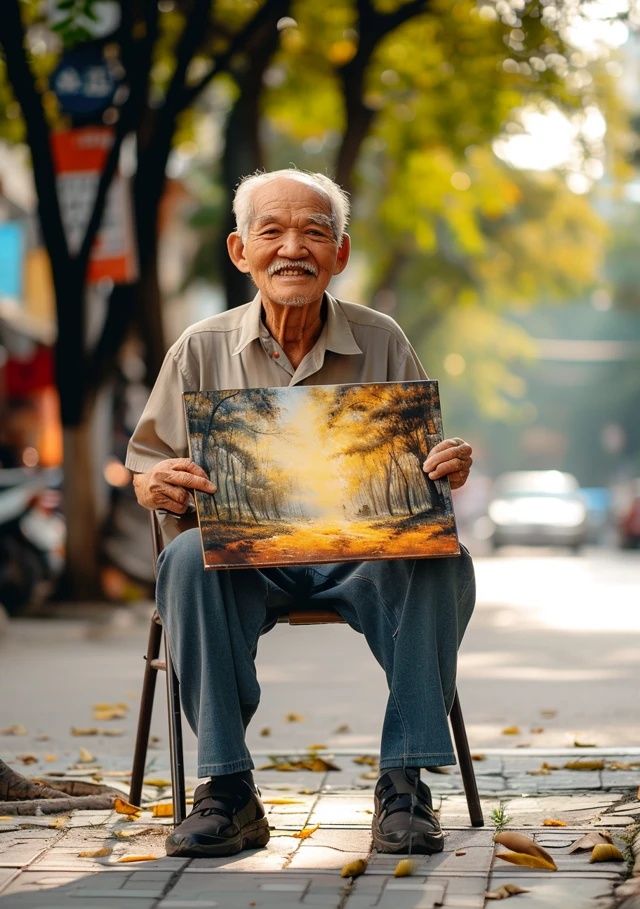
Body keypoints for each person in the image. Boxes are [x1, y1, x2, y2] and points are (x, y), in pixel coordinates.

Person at [126, 168, 475, 859]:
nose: (294, 247)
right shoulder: (198, 348)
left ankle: (404, 782)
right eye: (273, 231)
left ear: (339, 255)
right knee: (185, 559)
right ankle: (227, 791)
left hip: (361, 557)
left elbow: (420, 461)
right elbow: (147, 460)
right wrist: (152, 481)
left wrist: (446, 463)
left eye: (315, 232)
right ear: (240, 250)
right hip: (241, 557)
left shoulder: (381, 340)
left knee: (443, 557)